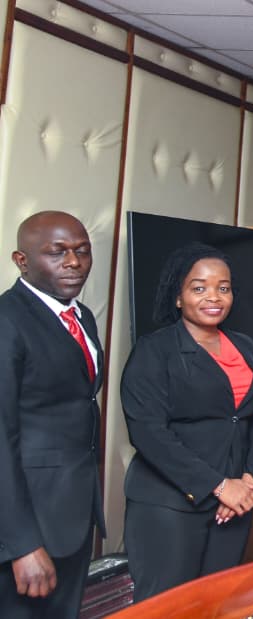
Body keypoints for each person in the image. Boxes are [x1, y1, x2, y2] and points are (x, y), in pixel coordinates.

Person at [120, 243, 253, 600]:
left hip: (236, 502)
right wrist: (219, 486)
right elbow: (148, 433)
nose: (214, 297)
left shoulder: (247, 347)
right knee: (168, 605)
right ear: (178, 297)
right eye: (199, 287)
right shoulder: (154, 351)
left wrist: (250, 481)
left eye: (223, 287)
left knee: (216, 602)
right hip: (169, 504)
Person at [0, 211, 105, 619]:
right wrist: (22, 544)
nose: (74, 262)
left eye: (82, 251)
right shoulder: (8, 321)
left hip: (72, 514)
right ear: (21, 260)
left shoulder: (80, 316)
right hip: (25, 523)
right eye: (56, 252)